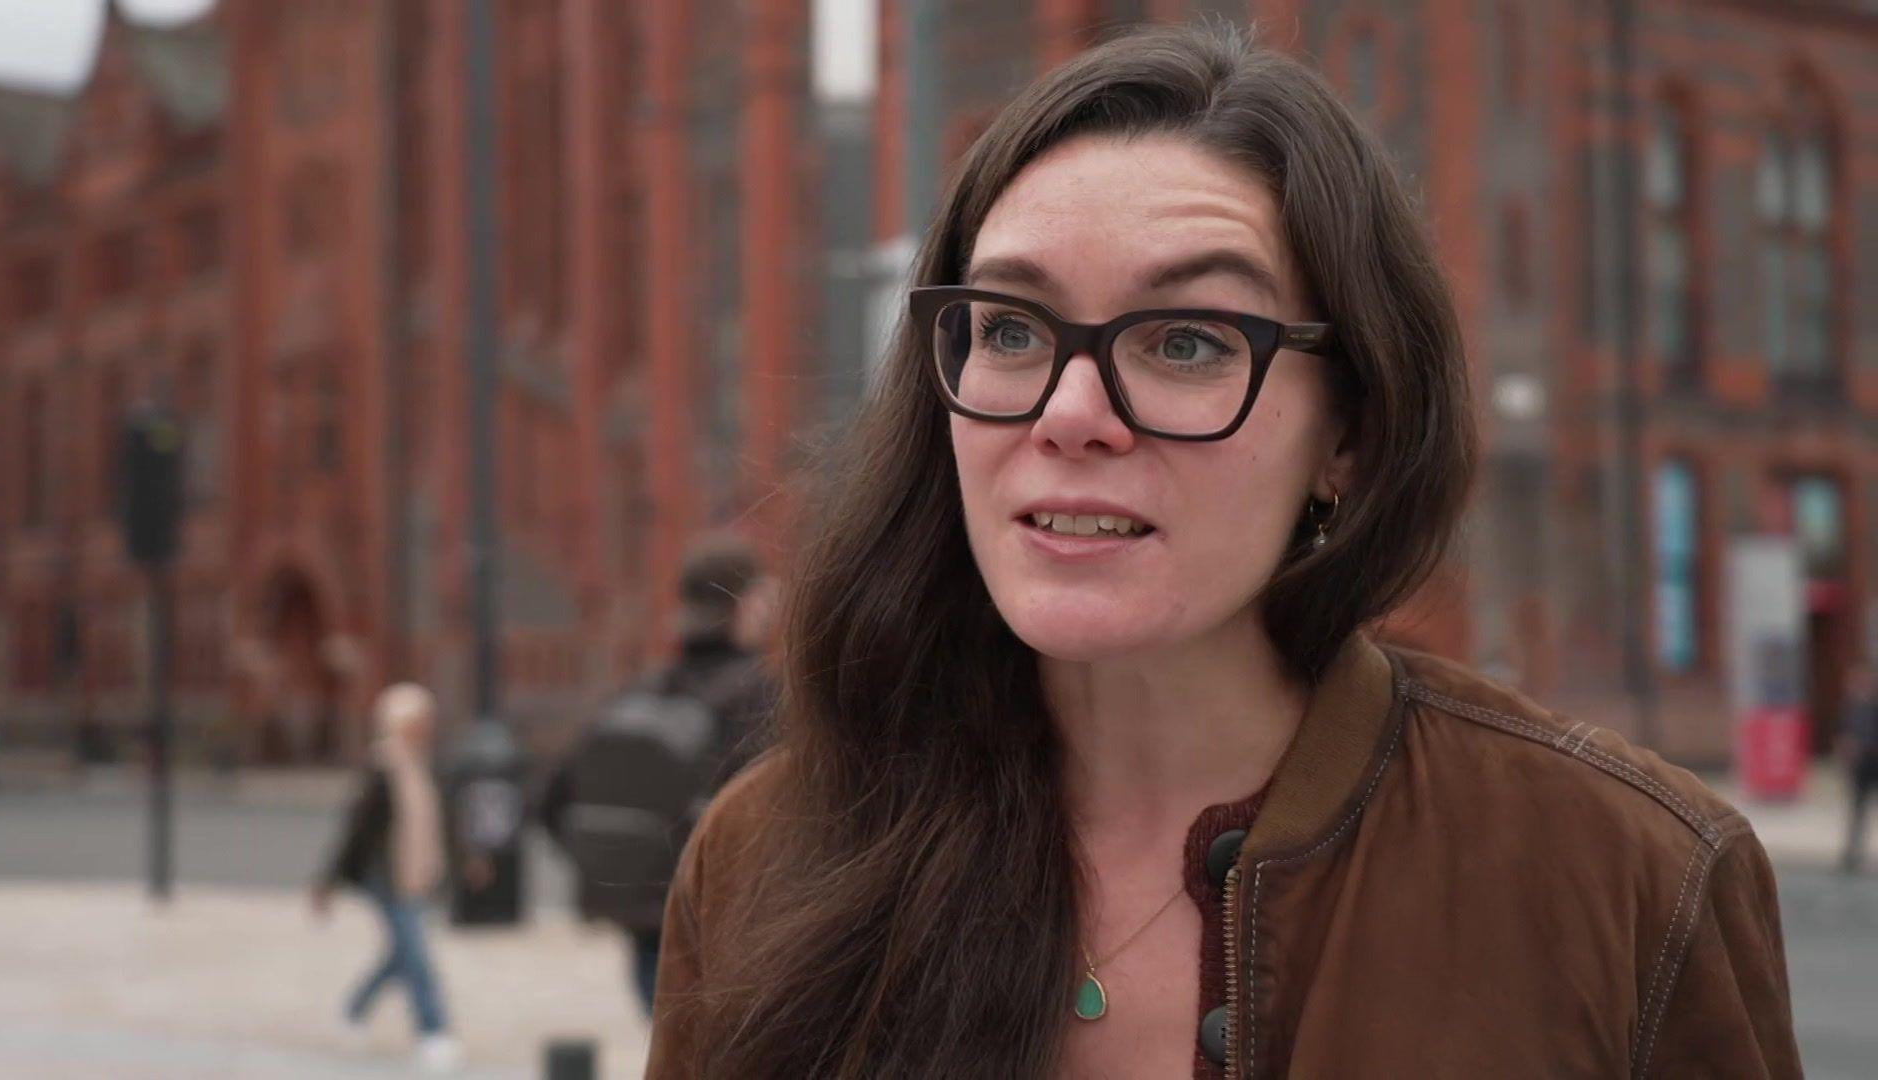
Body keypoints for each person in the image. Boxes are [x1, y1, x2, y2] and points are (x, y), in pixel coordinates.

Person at [644, 23, 1798, 1079]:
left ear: (1347, 432)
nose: (1068, 411)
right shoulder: (766, 858)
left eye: (1186, 340)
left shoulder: (1625, 877)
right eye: (1008, 328)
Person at [538, 536, 776, 1015]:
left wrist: (628, 873)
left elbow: (550, 801)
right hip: (742, 940)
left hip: (655, 937)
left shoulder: (641, 692)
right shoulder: (765, 697)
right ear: (746, 605)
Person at [311, 683, 475, 1073]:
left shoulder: (426, 763)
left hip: (418, 872)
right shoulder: (382, 768)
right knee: (416, 955)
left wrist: (465, 859)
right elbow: (357, 830)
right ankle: (434, 1031)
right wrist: (328, 881)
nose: (425, 727)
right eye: (417, 721)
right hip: (386, 877)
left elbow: (442, 820)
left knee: (401, 954)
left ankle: (353, 1010)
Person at [1840, 662, 1878, 873]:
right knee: (1857, 811)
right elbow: (1843, 733)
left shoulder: (1874, 706)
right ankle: (1852, 854)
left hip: (1875, 761)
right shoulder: (1850, 707)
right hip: (1860, 766)